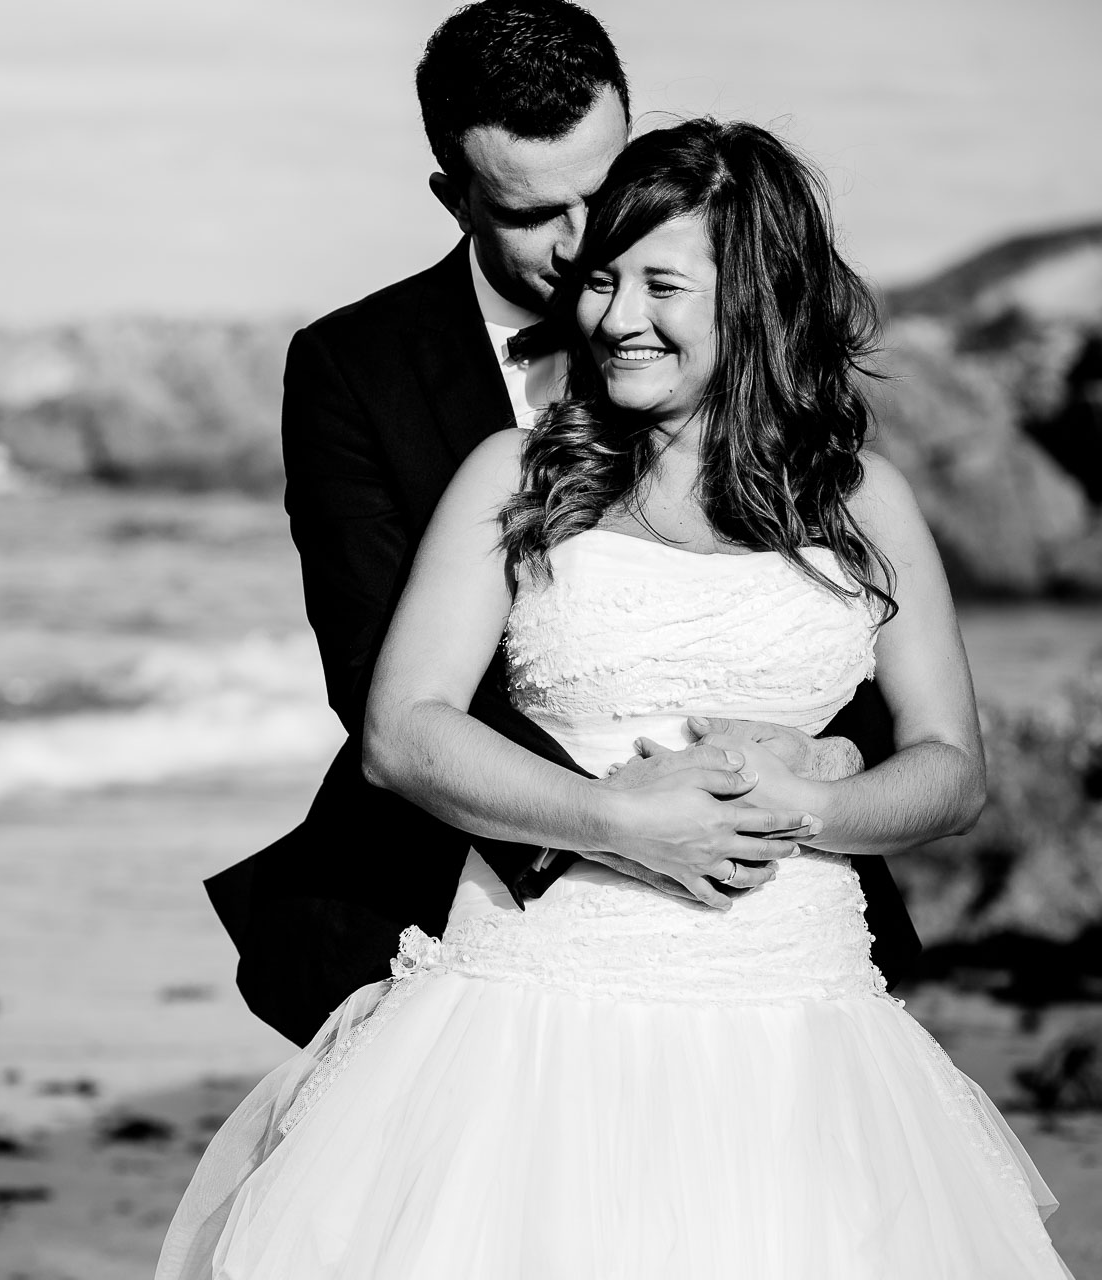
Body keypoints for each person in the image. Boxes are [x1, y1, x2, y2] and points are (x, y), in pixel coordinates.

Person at [158, 118, 1071, 1279]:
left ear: (755, 296)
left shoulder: (867, 502)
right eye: (603, 278)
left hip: (799, 1026)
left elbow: (953, 762)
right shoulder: (517, 472)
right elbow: (403, 730)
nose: (615, 315)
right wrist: (621, 823)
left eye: (662, 283)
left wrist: (807, 796)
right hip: (534, 1021)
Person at [205, 0, 922, 1049]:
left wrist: (822, 767)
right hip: (484, 904)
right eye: (535, 212)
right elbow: (379, 683)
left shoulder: (745, 344)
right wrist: (626, 826)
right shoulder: (355, 370)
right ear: (456, 197)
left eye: (604, 187)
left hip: (776, 903)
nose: (590, 248)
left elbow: (841, 618)